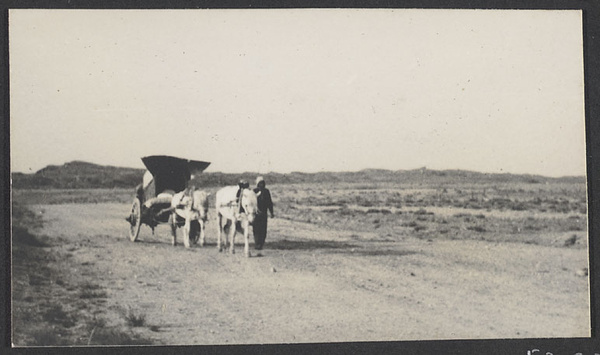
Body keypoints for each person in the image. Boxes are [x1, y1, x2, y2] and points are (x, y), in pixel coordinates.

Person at [253, 176, 274, 250]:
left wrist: (271, 212)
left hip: (263, 214)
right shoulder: (254, 191)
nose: (261, 185)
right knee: (257, 229)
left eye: (262, 183)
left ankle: (260, 244)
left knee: (263, 229)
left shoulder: (266, 191)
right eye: (260, 183)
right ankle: (257, 244)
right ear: (258, 184)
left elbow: (269, 203)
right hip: (256, 214)